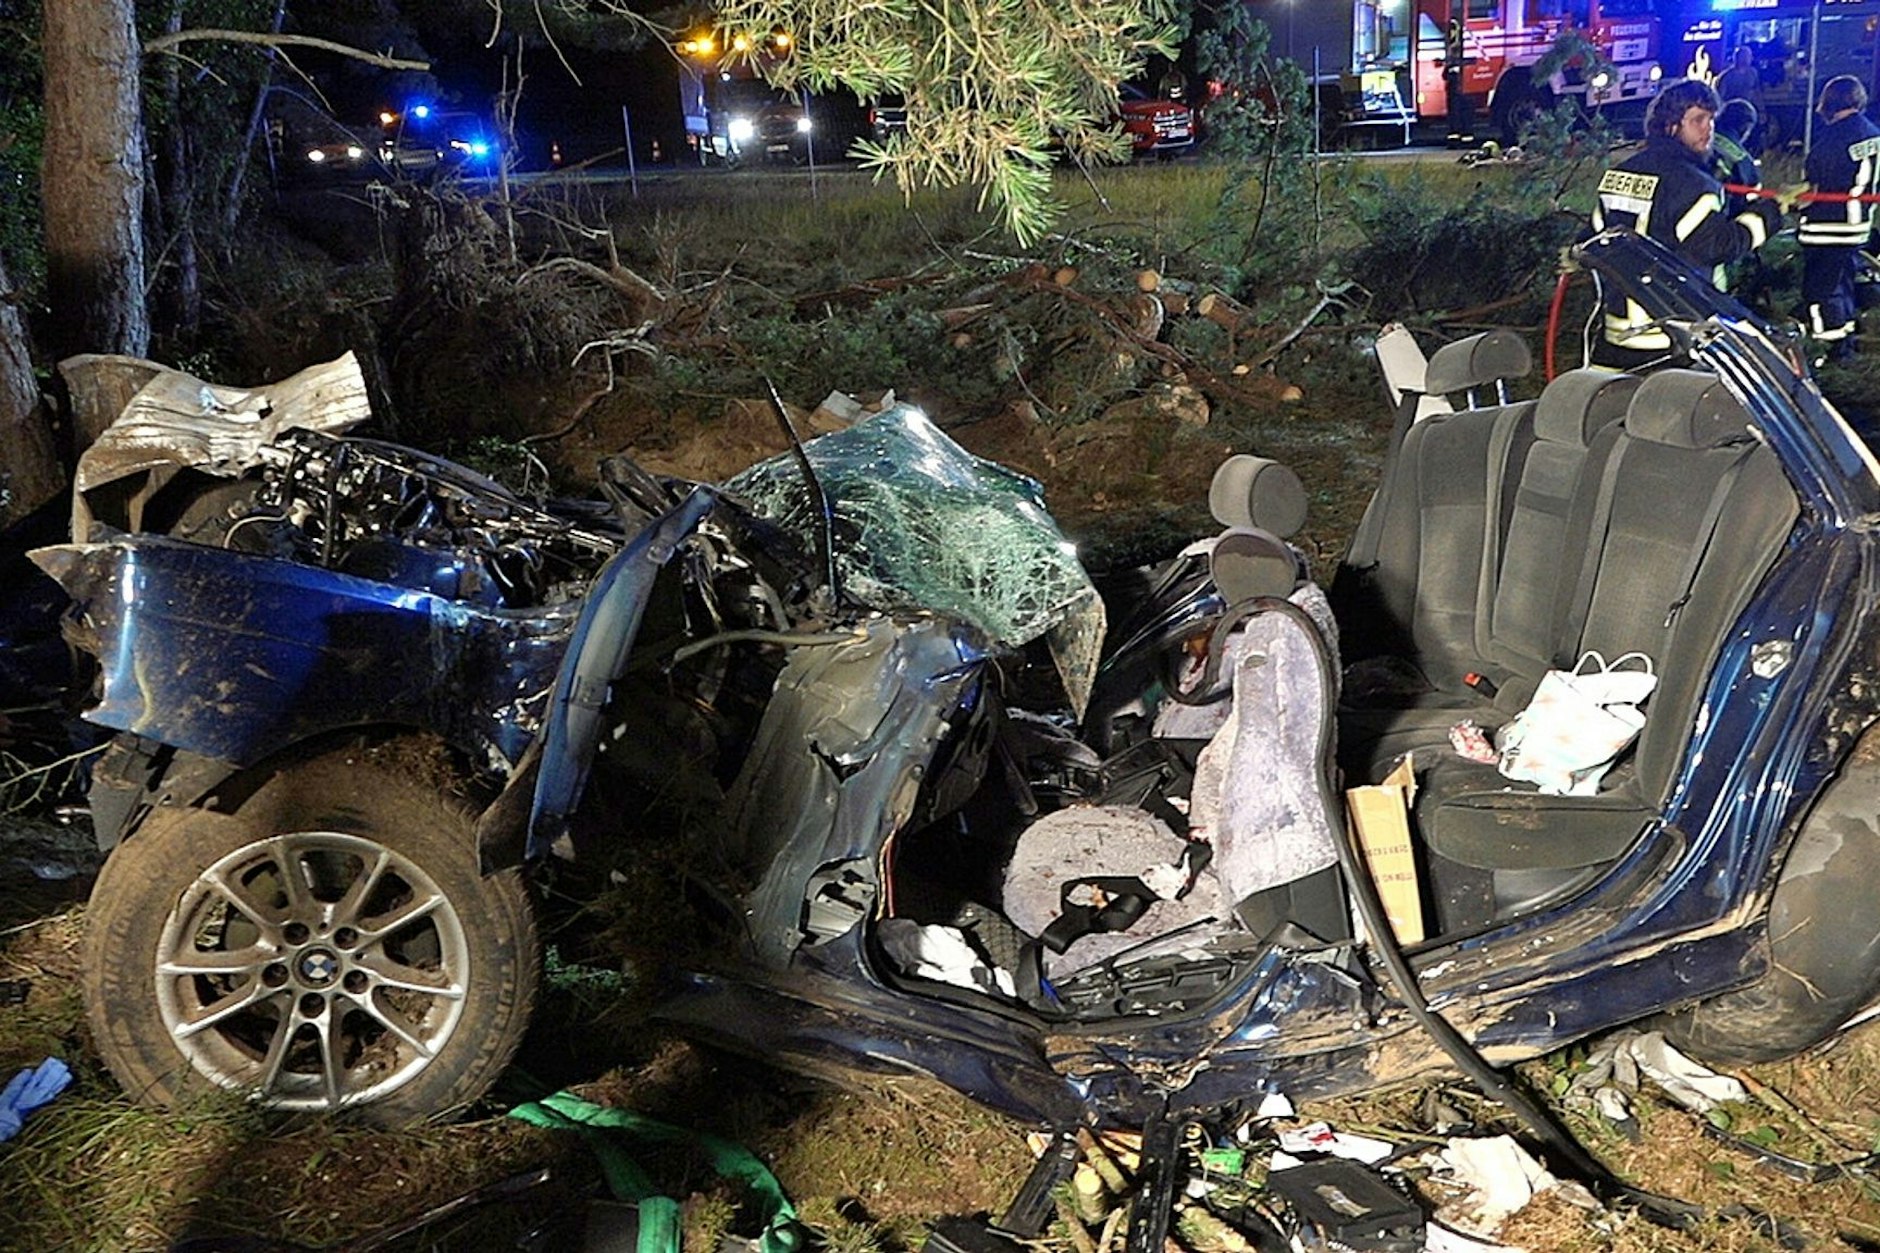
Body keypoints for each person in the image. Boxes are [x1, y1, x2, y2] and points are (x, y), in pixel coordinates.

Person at [1589, 78, 1782, 368]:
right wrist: (1767, 215)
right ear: (1671, 126)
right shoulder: (1694, 183)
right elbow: (1717, 246)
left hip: (1617, 337)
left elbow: (1591, 240)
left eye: (1711, 120)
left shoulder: (1619, 173)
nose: (1709, 129)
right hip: (1674, 337)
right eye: (1698, 120)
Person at [1799, 74, 1880, 362]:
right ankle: (1843, 344)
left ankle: (1826, 350)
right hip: (1858, 226)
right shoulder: (1872, 133)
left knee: (1821, 291)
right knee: (1842, 285)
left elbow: (1814, 186)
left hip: (1826, 226)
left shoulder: (1831, 142)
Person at [1712, 97, 1761, 214]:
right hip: (1720, 216)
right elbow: (1752, 191)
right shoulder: (1743, 160)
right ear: (1746, 127)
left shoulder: (1699, 138)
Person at [1444, 16, 1476, 148]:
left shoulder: (1456, 47)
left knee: (1459, 112)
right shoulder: (1454, 45)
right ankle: (1458, 139)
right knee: (1456, 113)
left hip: (1458, 83)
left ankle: (1460, 139)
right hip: (1457, 83)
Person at [1715, 47, 1762, 117]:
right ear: (1736, 58)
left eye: (1748, 56)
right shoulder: (1727, 76)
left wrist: (1761, 109)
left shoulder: (1753, 73)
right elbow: (1719, 96)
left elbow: (1756, 91)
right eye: (1743, 56)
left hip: (1747, 110)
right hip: (1731, 112)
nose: (1746, 59)